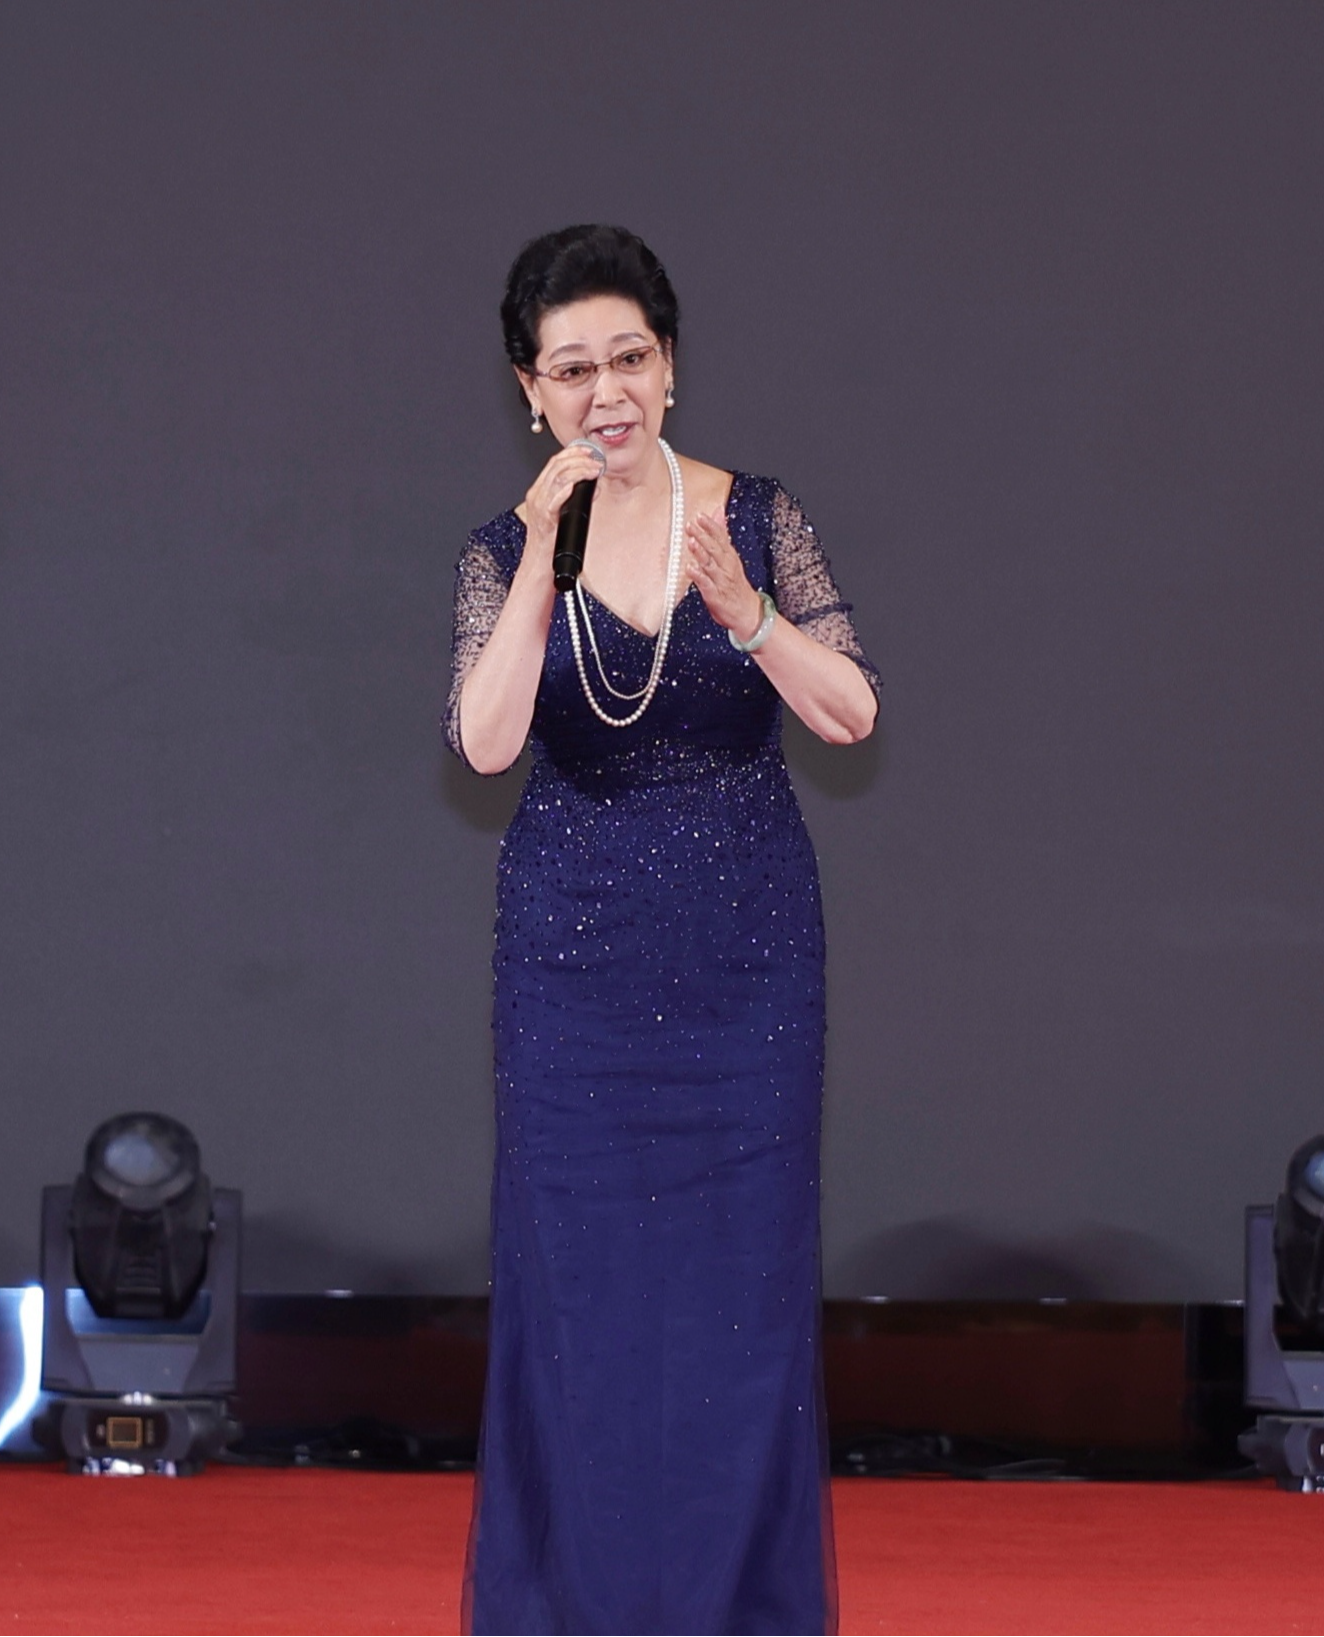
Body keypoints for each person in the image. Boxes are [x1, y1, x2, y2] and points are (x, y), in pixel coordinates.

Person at [444, 223, 877, 1636]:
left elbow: (851, 712)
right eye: (571, 369)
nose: (606, 391)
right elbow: (485, 745)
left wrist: (748, 617)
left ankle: (731, 1609)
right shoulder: (503, 550)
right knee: (581, 1304)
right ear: (531, 392)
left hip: (745, 959)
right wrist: (537, 556)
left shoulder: (757, 518)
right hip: (571, 963)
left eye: (627, 357)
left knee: (738, 1301)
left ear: (671, 365)